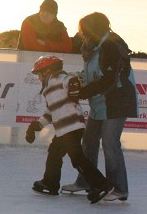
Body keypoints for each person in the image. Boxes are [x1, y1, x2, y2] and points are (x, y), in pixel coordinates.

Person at [62, 11, 137, 202]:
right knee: (89, 141)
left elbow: (108, 79)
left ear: (94, 29)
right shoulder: (92, 47)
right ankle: (86, 181)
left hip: (117, 102)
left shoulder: (111, 46)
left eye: (84, 30)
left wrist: (82, 93)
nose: (81, 34)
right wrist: (78, 79)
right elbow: (93, 74)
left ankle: (119, 188)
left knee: (110, 143)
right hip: (100, 102)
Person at [24, 55, 113, 204]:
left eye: (40, 73)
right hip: (63, 130)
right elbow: (50, 113)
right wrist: (36, 126)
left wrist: (74, 85)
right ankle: (50, 183)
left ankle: (101, 185)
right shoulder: (48, 90)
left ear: (49, 71)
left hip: (72, 127)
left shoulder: (59, 79)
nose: (38, 77)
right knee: (54, 153)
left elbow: (71, 79)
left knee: (77, 158)